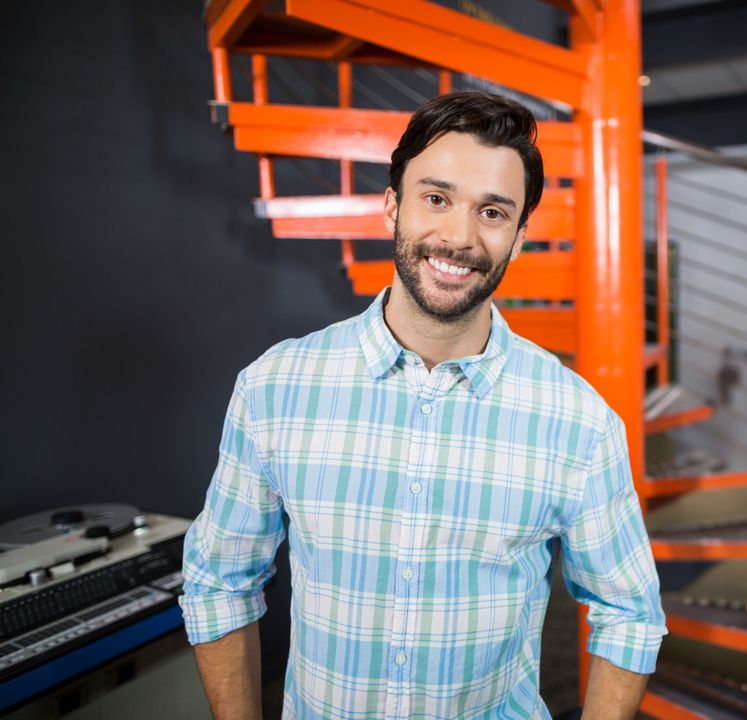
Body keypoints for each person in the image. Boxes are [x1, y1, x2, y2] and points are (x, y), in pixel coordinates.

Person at [180, 91, 666, 720]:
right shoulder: (275, 387)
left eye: (492, 212)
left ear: (519, 238)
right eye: (436, 198)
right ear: (392, 206)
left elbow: (629, 613)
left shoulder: (578, 421)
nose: (459, 236)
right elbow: (219, 583)